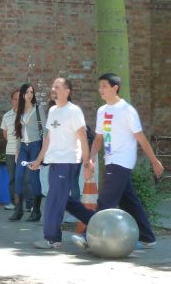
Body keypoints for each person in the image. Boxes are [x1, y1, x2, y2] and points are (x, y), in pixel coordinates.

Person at [71, 73, 165, 250]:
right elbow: (99, 138)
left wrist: (154, 161)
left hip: (122, 161)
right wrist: (89, 159)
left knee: (105, 202)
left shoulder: (127, 111)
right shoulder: (102, 110)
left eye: (104, 86)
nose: (101, 90)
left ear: (115, 88)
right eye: (100, 87)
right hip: (110, 160)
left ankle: (87, 236)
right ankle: (147, 236)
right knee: (129, 200)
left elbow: (141, 138)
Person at [29, 78, 92, 249]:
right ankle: (93, 221)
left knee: (54, 199)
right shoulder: (53, 111)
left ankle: (52, 238)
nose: (53, 89)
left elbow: (83, 137)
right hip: (55, 161)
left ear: (67, 91)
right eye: (53, 86)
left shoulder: (74, 111)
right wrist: (39, 159)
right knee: (63, 199)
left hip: (68, 160)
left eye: (57, 87)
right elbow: (48, 138)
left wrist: (87, 163)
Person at [9, 83, 45, 222]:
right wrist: (17, 151)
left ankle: (36, 211)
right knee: (18, 176)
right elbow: (18, 133)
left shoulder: (38, 109)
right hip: (23, 147)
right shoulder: (20, 111)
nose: (30, 94)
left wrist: (42, 152)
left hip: (36, 146)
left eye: (32, 92)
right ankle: (18, 210)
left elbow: (46, 132)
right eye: (27, 92)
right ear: (23, 94)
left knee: (33, 178)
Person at [0, 90, 20, 210]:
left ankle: (29, 205)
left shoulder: (27, 114)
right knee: (12, 178)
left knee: (26, 179)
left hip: (24, 151)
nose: (17, 101)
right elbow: (5, 134)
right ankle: (14, 203)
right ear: (11, 100)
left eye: (19, 99)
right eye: (15, 99)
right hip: (10, 151)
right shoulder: (6, 115)